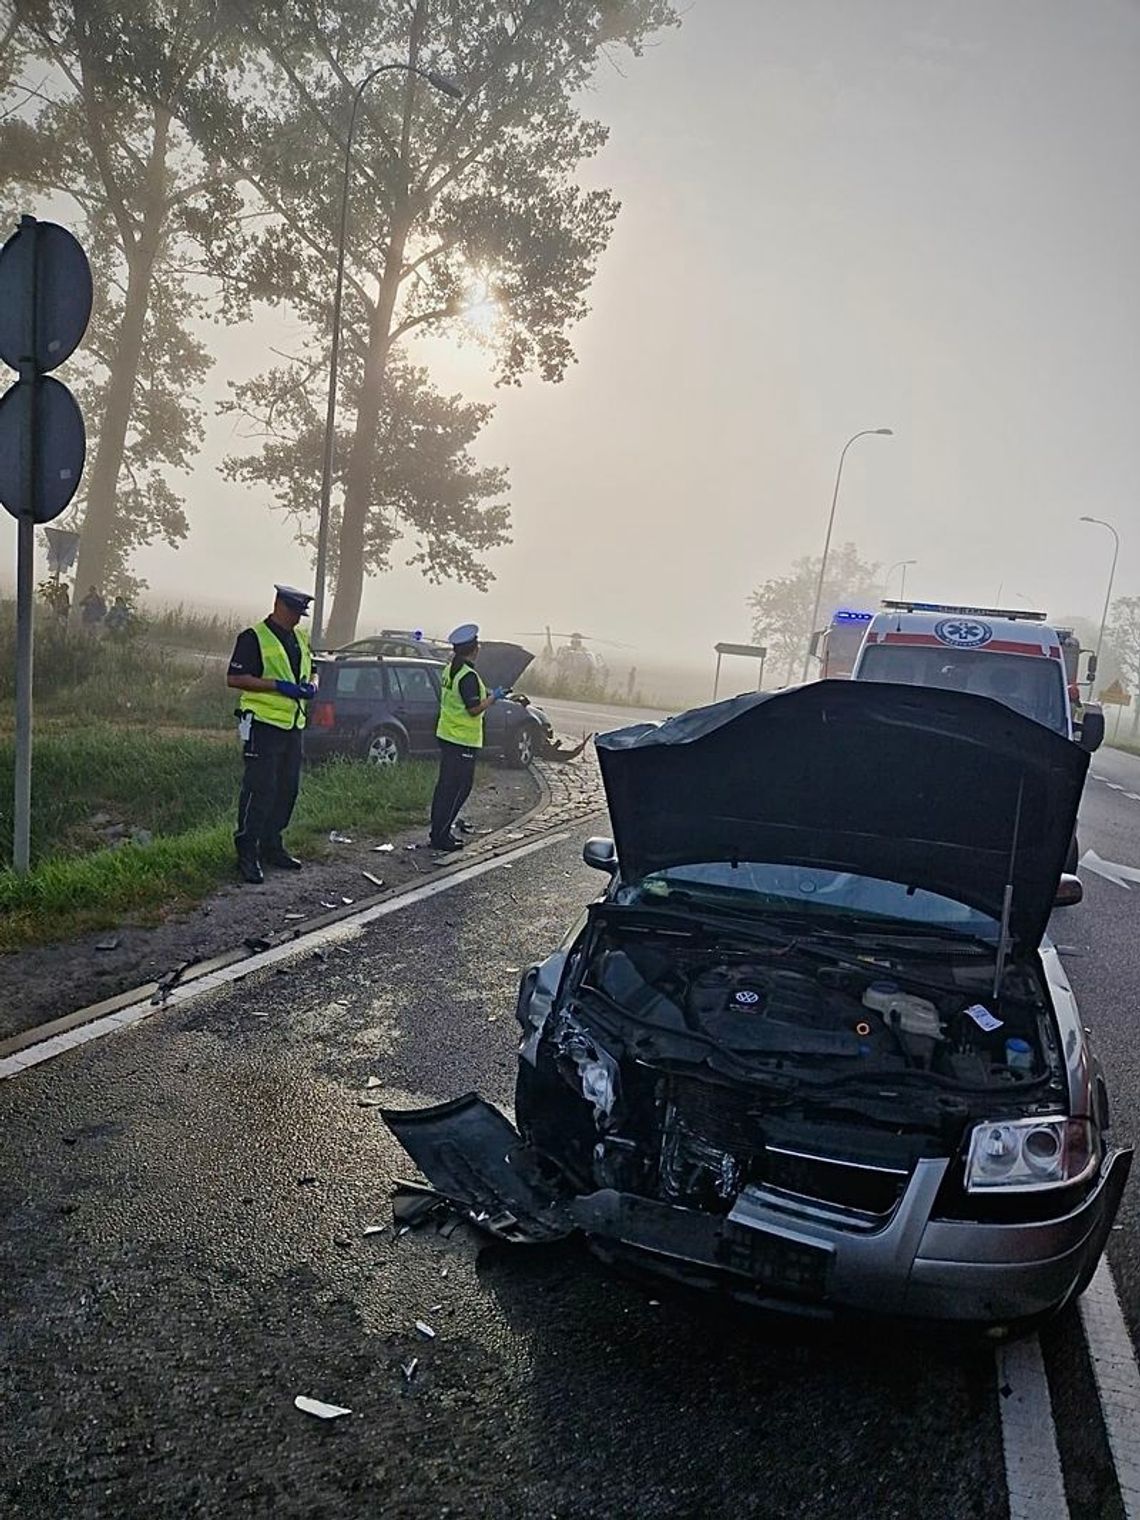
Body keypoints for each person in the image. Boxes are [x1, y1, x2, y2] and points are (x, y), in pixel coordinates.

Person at [226, 585, 317, 884]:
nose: (296, 619)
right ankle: (247, 850)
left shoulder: (300, 638)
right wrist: (277, 685)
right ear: (278, 605)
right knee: (259, 789)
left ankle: (271, 843)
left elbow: (312, 667)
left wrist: (312, 684)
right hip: (263, 725)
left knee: (287, 789)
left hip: (293, 725)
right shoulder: (253, 637)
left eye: (300, 614)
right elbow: (235, 678)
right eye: (292, 612)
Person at [428, 623, 506, 852]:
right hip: (463, 740)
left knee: (445, 788)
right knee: (458, 789)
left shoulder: (451, 669)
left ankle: (438, 831)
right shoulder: (468, 675)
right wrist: (493, 698)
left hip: (447, 734)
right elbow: (473, 709)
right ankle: (442, 836)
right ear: (474, 649)